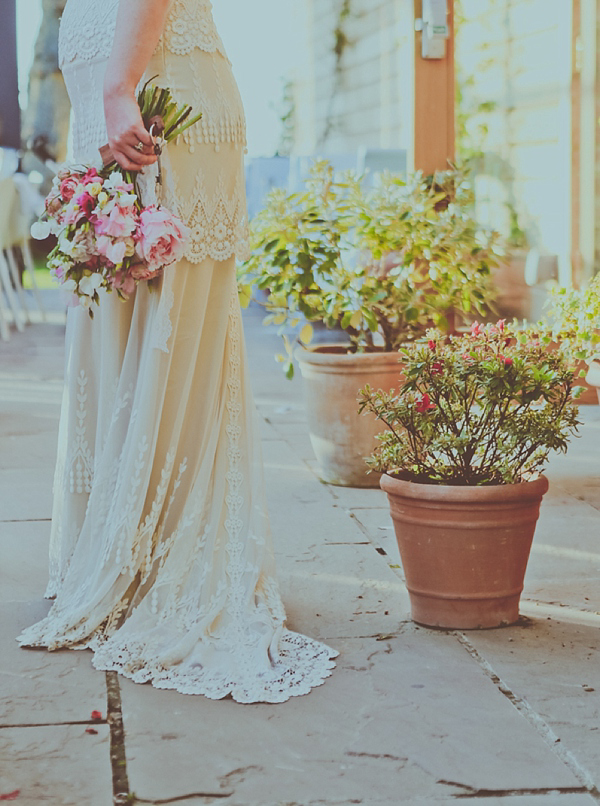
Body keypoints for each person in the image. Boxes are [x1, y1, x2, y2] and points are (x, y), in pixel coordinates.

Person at [18, 0, 337, 703]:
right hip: (118, 88)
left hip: (153, 92)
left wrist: (116, 84)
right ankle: (124, 553)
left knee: (169, 326)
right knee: (118, 318)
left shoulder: (125, 85)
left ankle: (163, 556)